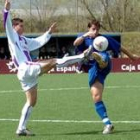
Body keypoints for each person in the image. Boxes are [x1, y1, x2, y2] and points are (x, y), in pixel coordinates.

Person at [3, 0, 89, 136]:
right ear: (14, 27)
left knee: (31, 101)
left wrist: (49, 32)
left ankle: (21, 128)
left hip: (26, 74)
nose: (23, 27)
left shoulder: (24, 40)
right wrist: (6, 10)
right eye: (21, 25)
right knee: (54, 61)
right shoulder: (12, 35)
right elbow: (7, 24)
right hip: (25, 68)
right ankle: (82, 56)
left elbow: (37, 42)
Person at [73, 19, 138, 134]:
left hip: (105, 66)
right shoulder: (84, 37)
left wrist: (131, 57)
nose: (96, 31)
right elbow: (76, 43)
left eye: (97, 29)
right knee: (96, 96)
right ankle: (108, 124)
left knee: (104, 55)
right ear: (89, 28)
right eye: (93, 29)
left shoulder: (103, 39)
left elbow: (119, 47)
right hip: (93, 70)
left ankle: (101, 59)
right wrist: (86, 35)